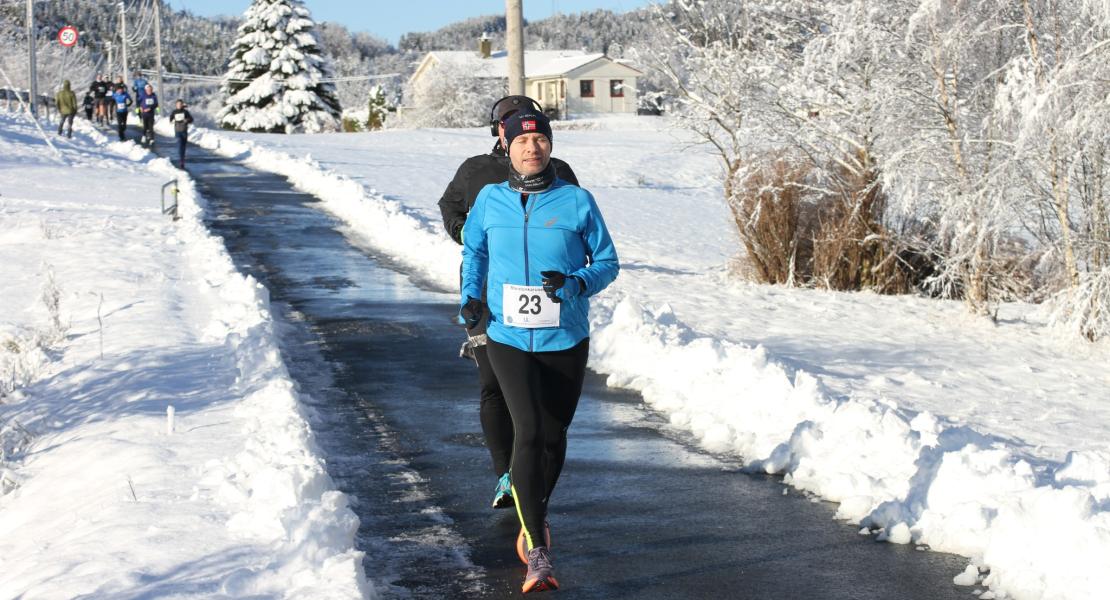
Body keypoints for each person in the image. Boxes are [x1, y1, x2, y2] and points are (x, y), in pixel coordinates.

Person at [459, 110, 619, 593]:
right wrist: (470, 295)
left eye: (540, 141)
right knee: (527, 430)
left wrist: (574, 284)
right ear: (506, 147)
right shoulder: (489, 200)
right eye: (523, 142)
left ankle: (535, 511)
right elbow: (475, 252)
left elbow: (608, 262)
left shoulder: (576, 201)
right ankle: (538, 549)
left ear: (550, 147)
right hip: (507, 335)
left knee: (553, 436)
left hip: (564, 337)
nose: (532, 149)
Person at [438, 96, 579, 511]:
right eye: (509, 125)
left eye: (533, 130)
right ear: (498, 130)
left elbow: (575, 220)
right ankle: (507, 474)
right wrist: (463, 232)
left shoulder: (561, 172)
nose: (525, 139)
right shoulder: (475, 170)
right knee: (493, 384)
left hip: (547, 296)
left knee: (542, 395)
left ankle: (535, 468)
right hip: (489, 294)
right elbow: (449, 206)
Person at [169, 99, 194, 168]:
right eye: (178, 104)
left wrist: (187, 120)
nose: (179, 105)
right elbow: (170, 119)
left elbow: (191, 119)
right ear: (176, 105)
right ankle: (181, 160)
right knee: (179, 145)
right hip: (177, 131)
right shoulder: (174, 112)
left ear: (182, 105)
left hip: (184, 131)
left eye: (180, 104)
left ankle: (182, 159)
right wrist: (172, 120)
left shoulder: (185, 112)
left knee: (183, 146)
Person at [137, 83, 159, 147]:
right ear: (146, 90)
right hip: (144, 113)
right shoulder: (143, 95)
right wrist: (140, 107)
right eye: (148, 90)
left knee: (151, 127)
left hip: (151, 113)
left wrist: (150, 108)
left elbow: (156, 104)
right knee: (145, 126)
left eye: (150, 90)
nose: (149, 91)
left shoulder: (154, 96)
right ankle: (144, 135)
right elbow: (138, 101)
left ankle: (152, 138)